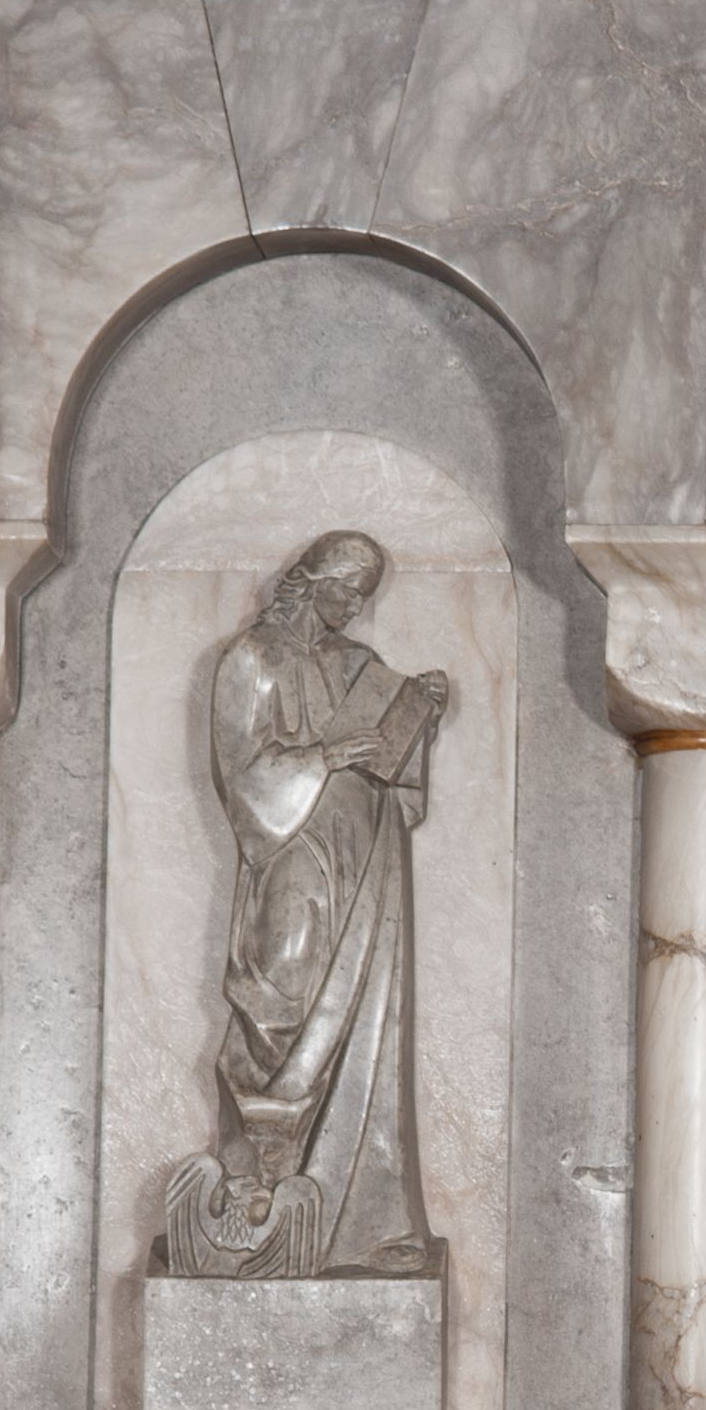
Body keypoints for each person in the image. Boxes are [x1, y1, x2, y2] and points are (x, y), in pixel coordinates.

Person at [203, 528, 447, 1276]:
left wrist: (419, 715)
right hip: (292, 854)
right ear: (310, 581)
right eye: (345, 590)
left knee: (364, 1009)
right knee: (282, 986)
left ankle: (358, 1214)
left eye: (363, 596)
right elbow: (239, 771)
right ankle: (257, 1184)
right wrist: (323, 755)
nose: (353, 607)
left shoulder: (357, 666)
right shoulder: (253, 658)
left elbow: (397, 772)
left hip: (365, 852)